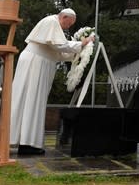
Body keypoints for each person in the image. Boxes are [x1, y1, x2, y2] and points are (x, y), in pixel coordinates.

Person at [10, 8, 93, 155]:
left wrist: (80, 50)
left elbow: (59, 53)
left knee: (33, 101)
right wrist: (81, 44)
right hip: (36, 63)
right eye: (69, 23)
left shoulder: (53, 26)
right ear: (64, 17)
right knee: (31, 100)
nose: (69, 27)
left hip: (39, 63)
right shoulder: (51, 22)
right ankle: (27, 144)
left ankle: (27, 142)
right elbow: (59, 45)